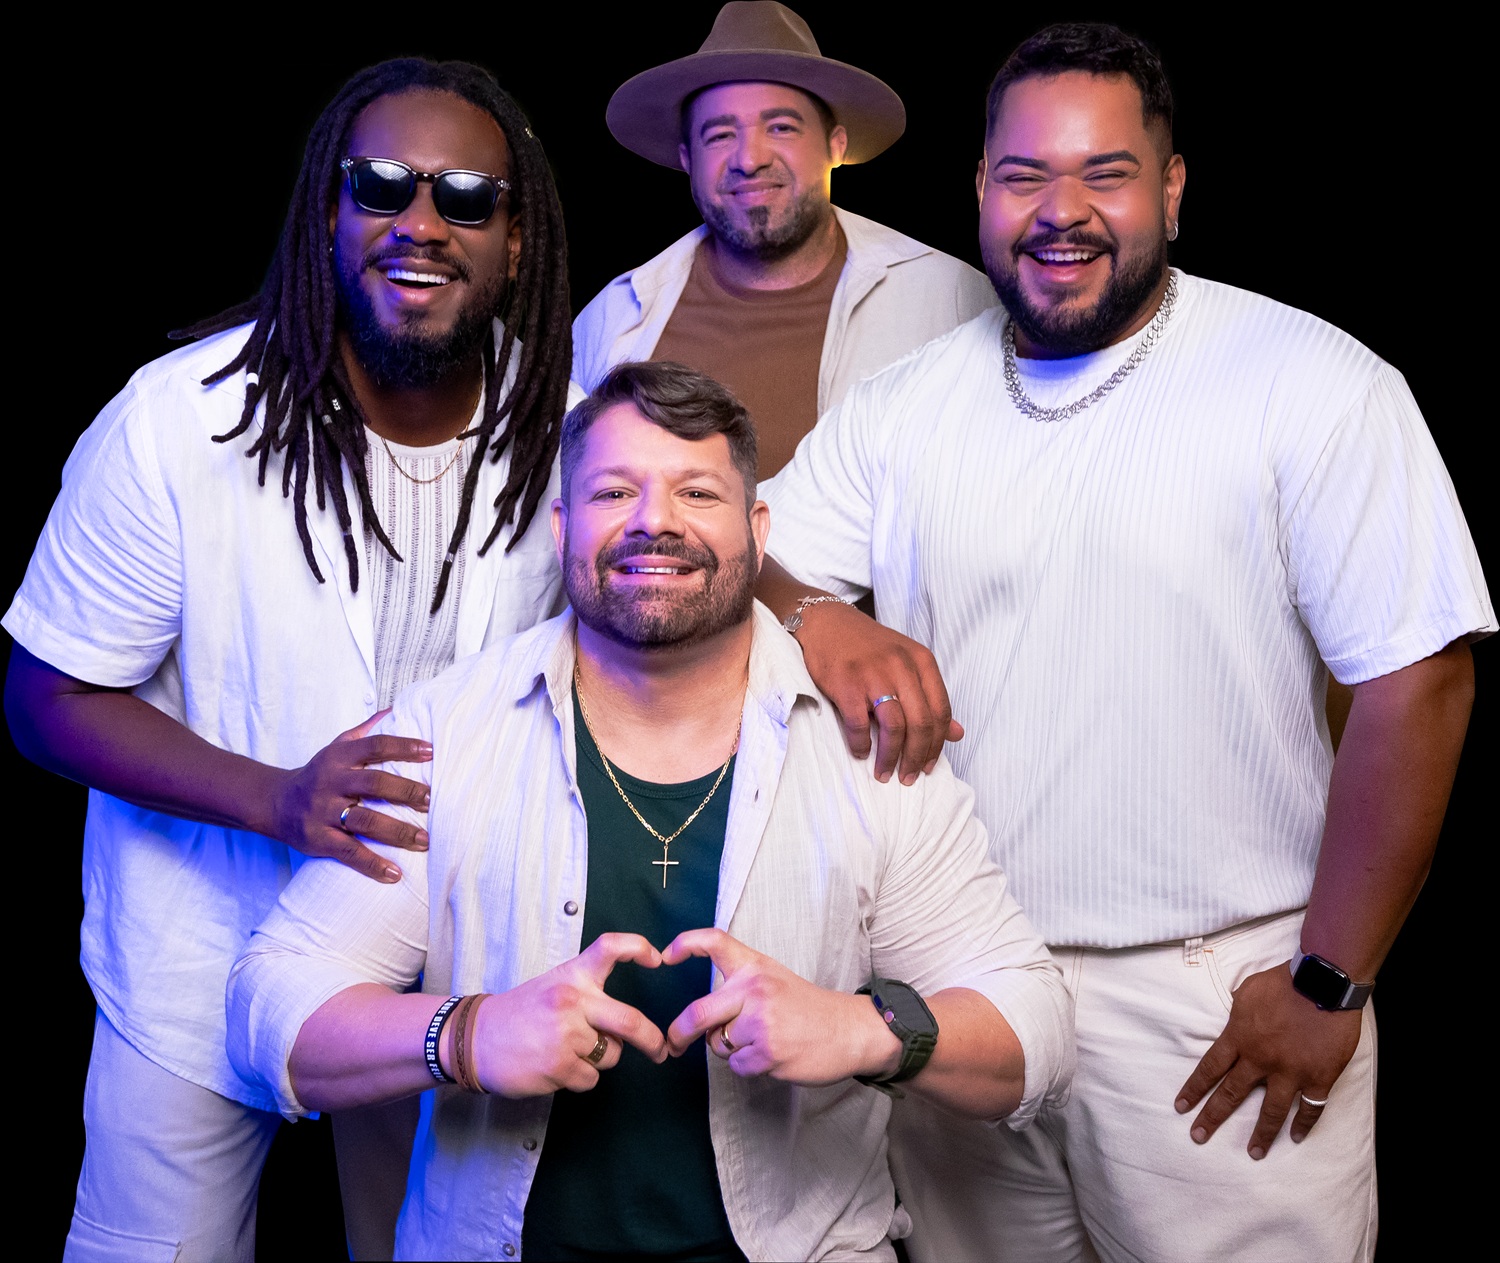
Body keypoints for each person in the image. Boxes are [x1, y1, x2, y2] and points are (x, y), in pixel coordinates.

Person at [753, 22, 1493, 1262]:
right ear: (980, 192)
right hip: (968, 980)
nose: (1063, 212)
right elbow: (743, 556)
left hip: (1215, 995)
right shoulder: (903, 407)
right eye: (1025, 176)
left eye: (1106, 173)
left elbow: (1421, 682)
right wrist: (820, 616)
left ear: (1173, 187)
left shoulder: (1313, 382)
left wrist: (1329, 980)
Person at [225, 360, 1073, 1262]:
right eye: (614, 491)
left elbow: (1037, 1029)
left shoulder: (860, 744)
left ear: (758, 532)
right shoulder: (449, 730)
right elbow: (269, 1007)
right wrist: (467, 1034)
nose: (653, 520)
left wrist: (862, 1027)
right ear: (562, 529)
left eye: (696, 491)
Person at [3, 58, 575, 1262]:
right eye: (382, 186)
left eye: (467, 197)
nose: (421, 222)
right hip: (196, 952)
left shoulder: (561, 429)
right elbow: (48, 699)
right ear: (329, 211)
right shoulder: (180, 419)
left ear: (516, 240)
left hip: (442, 974)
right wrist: (278, 798)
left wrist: (817, 614)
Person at [572, 1, 997, 479]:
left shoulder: (953, 300)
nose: (749, 159)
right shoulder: (613, 319)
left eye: (781, 127)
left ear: (836, 145)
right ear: (688, 158)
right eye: (720, 135)